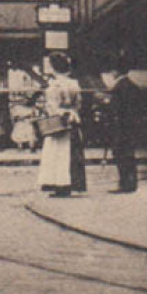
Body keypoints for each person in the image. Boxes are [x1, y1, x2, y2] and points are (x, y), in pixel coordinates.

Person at [38, 53, 86, 197]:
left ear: (53, 67)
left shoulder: (54, 85)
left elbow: (52, 106)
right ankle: (69, 183)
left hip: (58, 121)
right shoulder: (74, 84)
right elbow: (78, 103)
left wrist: (50, 111)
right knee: (70, 152)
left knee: (57, 153)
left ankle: (60, 184)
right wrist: (71, 112)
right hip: (72, 119)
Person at [108, 54, 141, 193]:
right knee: (129, 154)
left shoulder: (118, 87)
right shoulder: (132, 86)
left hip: (120, 127)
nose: (111, 73)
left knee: (121, 155)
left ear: (116, 71)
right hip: (131, 126)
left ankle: (124, 184)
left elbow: (115, 109)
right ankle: (131, 183)